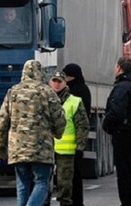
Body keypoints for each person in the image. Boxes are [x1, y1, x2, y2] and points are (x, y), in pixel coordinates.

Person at [0, 60, 66, 206]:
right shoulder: (47, 92)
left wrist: (0, 148)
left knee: (22, 184)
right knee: (41, 182)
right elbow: (59, 119)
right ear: (41, 73)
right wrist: (58, 133)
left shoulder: (13, 92)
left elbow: (2, 122)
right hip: (41, 149)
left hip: (18, 149)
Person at [103, 57, 131, 206]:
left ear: (120, 68)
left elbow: (117, 111)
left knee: (123, 172)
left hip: (123, 133)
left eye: (116, 66)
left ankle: (127, 202)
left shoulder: (122, 87)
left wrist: (106, 124)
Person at [49, 71, 89, 206]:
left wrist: (80, 146)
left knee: (64, 184)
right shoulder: (44, 100)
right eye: (54, 81)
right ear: (50, 82)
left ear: (65, 83)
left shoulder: (74, 102)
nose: (56, 84)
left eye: (59, 81)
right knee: (44, 184)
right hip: (46, 150)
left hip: (66, 151)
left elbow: (82, 126)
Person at [62, 63, 91, 206]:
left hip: (71, 142)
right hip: (75, 141)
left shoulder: (74, 93)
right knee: (75, 175)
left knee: (71, 177)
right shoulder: (84, 89)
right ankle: (78, 202)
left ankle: (75, 202)